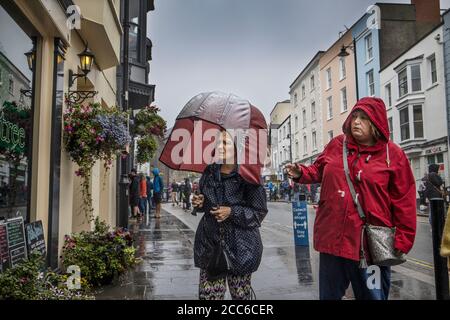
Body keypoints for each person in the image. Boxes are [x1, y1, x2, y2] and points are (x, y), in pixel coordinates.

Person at [285, 97, 417, 300]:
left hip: (369, 245)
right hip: (332, 240)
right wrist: (300, 172)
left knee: (372, 296)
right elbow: (318, 170)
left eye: (363, 118)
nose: (356, 121)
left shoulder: (394, 155)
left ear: (376, 123)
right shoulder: (338, 144)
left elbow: (404, 200)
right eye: (354, 116)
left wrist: (403, 238)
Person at [191, 130, 268, 300]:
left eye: (225, 143)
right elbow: (205, 201)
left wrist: (231, 212)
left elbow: (258, 213)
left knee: (240, 297)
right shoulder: (209, 172)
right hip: (211, 244)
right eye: (217, 142)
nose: (219, 146)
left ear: (236, 146)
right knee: (208, 297)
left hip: (241, 247)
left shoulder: (249, 176)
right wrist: (199, 202)